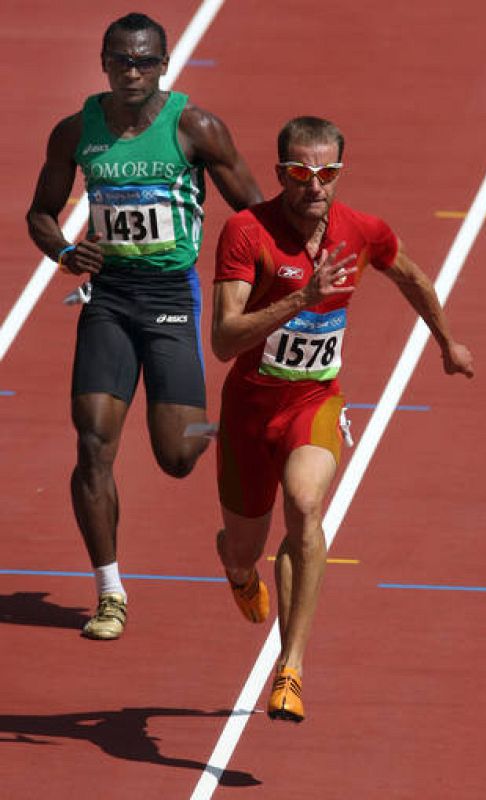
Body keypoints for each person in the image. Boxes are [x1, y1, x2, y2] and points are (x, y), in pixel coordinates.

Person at [211, 116, 473, 723]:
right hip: (250, 410)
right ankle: (235, 564)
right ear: (281, 174)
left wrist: (447, 342)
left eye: (327, 173)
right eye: (301, 173)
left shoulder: (361, 231)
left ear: (338, 174)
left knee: (305, 506)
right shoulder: (246, 233)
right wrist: (302, 298)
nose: (315, 185)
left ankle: (291, 667)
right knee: (244, 547)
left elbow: (410, 275)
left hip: (314, 402)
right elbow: (224, 340)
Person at [26, 12, 262, 640]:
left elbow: (257, 214)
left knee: (177, 456)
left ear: (163, 64)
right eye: (121, 60)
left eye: (144, 61)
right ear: (103, 62)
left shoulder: (196, 128)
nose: (132, 71)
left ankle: (232, 427)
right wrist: (64, 252)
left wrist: (284, 283)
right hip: (107, 297)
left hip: (169, 297)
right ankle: (109, 592)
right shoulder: (78, 131)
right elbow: (41, 213)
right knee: (93, 440)